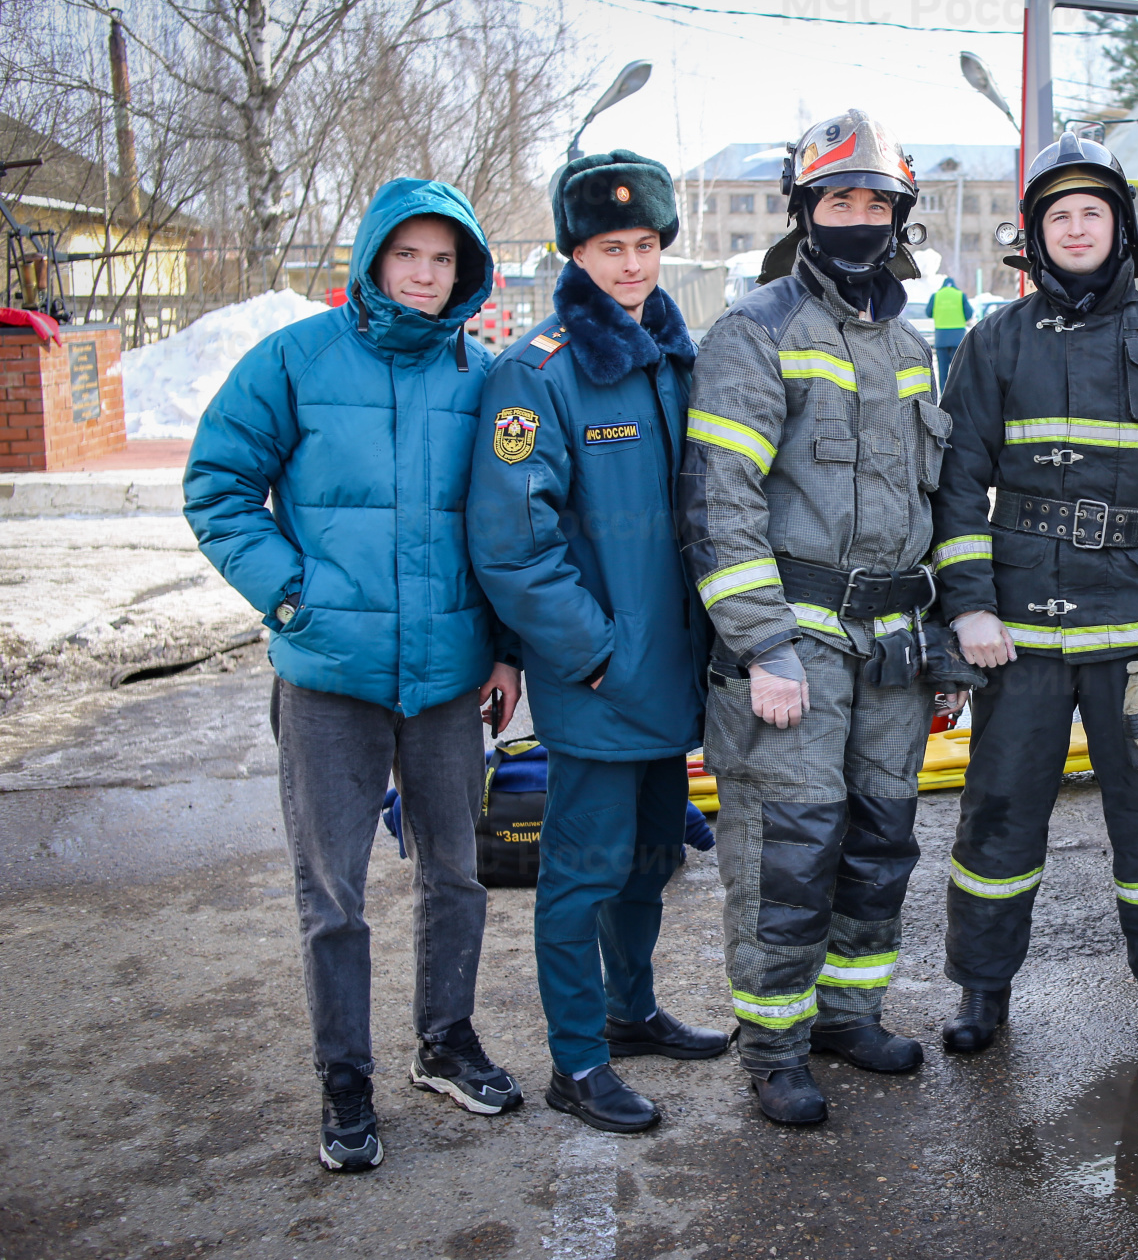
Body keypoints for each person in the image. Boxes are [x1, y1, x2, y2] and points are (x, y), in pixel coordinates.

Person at [185, 179, 523, 1172]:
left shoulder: (483, 376)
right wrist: (290, 595)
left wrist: (501, 646)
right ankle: (345, 1078)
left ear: (465, 272)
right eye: (407, 255)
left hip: (449, 678)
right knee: (332, 888)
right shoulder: (294, 359)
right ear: (373, 259)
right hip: (329, 675)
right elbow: (218, 482)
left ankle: (444, 1041)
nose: (424, 275)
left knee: (454, 871)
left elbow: (504, 524)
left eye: (443, 259)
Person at [677, 109, 971, 1127]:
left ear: (899, 217)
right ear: (804, 211)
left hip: (893, 643)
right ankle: (774, 1045)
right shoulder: (752, 332)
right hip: (794, 642)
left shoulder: (910, 340)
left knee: (880, 841)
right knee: (786, 849)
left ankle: (848, 1015)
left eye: (875, 202)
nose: (859, 217)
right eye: (839, 199)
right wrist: (760, 646)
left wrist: (939, 644)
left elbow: (934, 504)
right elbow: (721, 503)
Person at [929, 132, 1138, 1066]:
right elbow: (956, 481)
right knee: (996, 813)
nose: (1074, 227)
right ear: (1033, 233)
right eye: (1057, 214)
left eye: (1090, 212)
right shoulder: (992, 343)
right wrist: (969, 604)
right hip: (1015, 634)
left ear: (1122, 228)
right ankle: (983, 992)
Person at [468, 150, 726, 1136]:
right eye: (610, 247)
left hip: (670, 673)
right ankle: (577, 1060)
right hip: (602, 677)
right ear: (575, 252)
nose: (630, 265)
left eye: (645, 245)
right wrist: (597, 657)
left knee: (651, 856)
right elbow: (512, 545)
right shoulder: (537, 374)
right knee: (580, 873)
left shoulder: (674, 358)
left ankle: (630, 1011)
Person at [925, 275, 970, 383]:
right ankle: (958, 395)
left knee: (942, 370)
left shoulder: (936, 296)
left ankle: (944, 394)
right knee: (958, 370)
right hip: (958, 338)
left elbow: (928, 312)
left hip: (941, 338)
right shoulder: (960, 295)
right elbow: (969, 314)